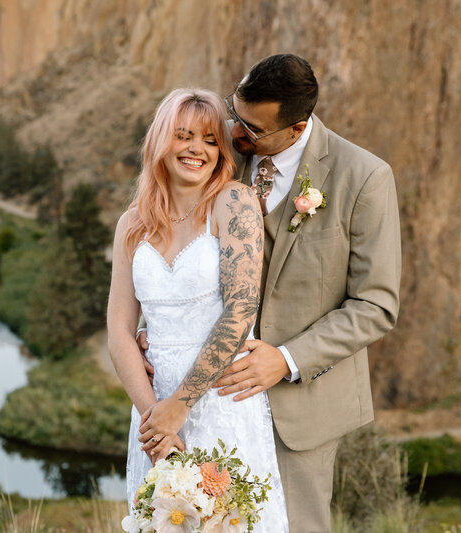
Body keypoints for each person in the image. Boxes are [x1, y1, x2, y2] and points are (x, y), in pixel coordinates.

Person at [137, 54, 402, 532]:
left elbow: (376, 306)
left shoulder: (362, 178)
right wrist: (153, 322)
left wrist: (286, 359)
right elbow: (178, 243)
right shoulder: (219, 152)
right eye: (233, 114)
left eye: (251, 130)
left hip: (299, 406)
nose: (235, 133)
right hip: (207, 396)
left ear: (296, 129)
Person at [107, 88, 289, 532]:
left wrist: (180, 406)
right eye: (183, 135)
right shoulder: (132, 223)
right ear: (161, 141)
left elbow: (241, 310)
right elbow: (118, 327)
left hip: (221, 399)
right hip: (152, 409)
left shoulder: (234, 203)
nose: (196, 149)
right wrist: (155, 424)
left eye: (210, 140)